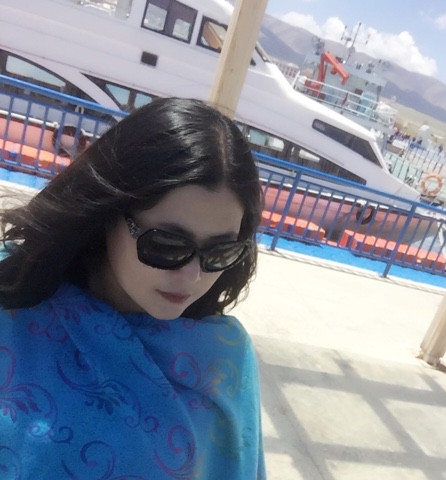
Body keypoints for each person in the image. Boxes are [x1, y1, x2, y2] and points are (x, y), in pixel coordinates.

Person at [0, 97, 266, 479]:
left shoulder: (223, 360)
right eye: (166, 245)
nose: (193, 275)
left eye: (220, 252)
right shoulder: (15, 306)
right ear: (109, 212)